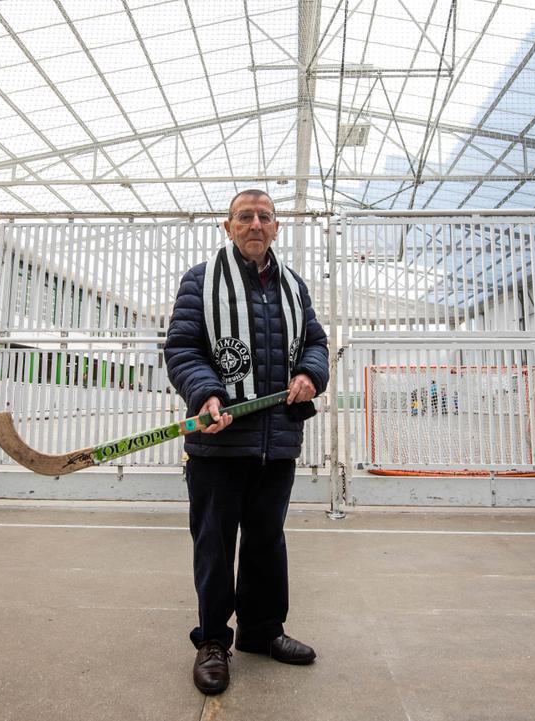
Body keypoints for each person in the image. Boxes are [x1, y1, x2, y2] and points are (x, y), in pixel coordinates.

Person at [165, 189, 329, 696]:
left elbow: (317, 341)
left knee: (266, 543)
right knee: (215, 546)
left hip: (277, 441)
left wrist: (309, 373)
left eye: (264, 216)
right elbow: (182, 348)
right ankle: (213, 641)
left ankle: (262, 632)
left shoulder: (294, 286)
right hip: (218, 445)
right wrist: (206, 393)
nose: (255, 224)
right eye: (244, 216)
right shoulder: (200, 281)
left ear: (276, 227)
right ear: (228, 225)